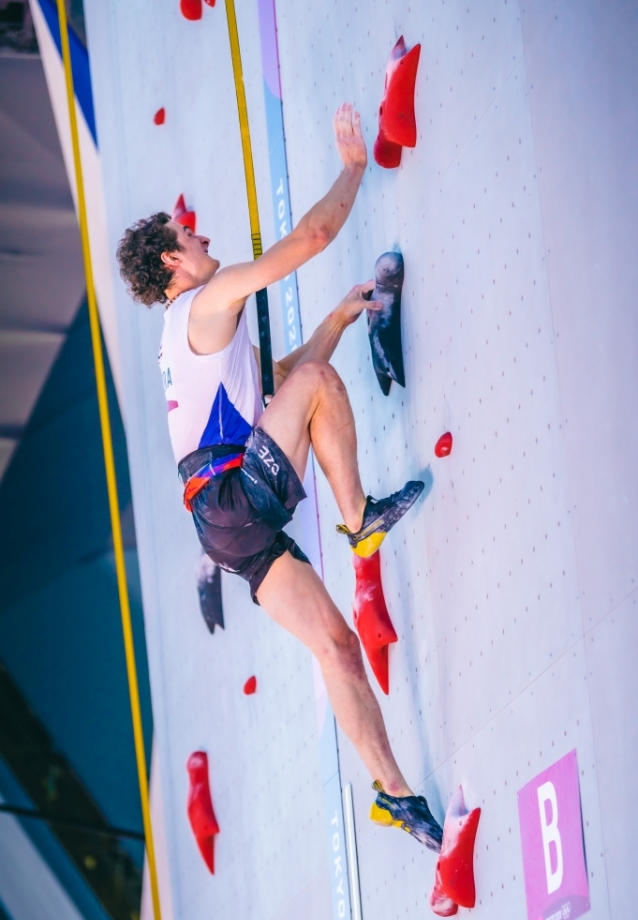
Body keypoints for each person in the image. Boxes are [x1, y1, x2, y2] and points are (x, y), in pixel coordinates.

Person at [116, 104, 442, 852]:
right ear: (172, 261)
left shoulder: (186, 339)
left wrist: (336, 315)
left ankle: (398, 796)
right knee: (323, 383)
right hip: (234, 495)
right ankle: (359, 521)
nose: (203, 238)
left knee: (337, 644)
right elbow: (312, 238)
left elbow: (279, 388)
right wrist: (354, 168)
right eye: (189, 235)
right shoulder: (206, 300)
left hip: (223, 526)